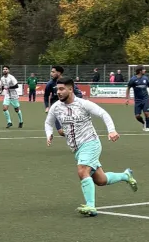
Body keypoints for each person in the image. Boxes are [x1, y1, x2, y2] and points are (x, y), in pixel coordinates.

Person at [45, 76, 137, 216]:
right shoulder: (56, 107)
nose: (58, 92)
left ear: (70, 89)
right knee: (101, 180)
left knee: (82, 171)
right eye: (57, 89)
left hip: (90, 143)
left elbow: (103, 113)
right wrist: (49, 133)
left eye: (62, 89)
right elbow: (48, 122)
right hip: (77, 149)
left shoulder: (83, 104)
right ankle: (126, 175)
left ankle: (91, 207)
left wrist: (111, 130)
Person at [125, 65, 149, 131]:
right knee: (137, 116)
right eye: (143, 69)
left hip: (145, 99)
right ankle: (144, 122)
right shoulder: (133, 79)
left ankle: (147, 127)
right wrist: (127, 98)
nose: (145, 70)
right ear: (140, 71)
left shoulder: (145, 78)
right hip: (137, 100)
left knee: (146, 113)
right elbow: (128, 88)